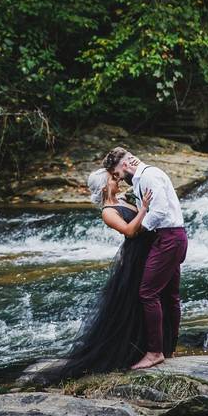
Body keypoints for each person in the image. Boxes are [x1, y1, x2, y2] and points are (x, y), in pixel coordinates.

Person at [33, 168, 172, 383]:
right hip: (135, 259)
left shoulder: (125, 199)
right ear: (104, 187)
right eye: (112, 178)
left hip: (150, 252)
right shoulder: (108, 212)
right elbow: (130, 231)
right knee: (134, 304)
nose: (117, 180)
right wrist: (143, 209)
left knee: (151, 300)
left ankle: (155, 348)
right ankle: (136, 352)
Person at [103, 147, 187, 370]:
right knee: (170, 295)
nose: (119, 179)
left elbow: (158, 212)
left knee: (148, 293)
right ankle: (169, 347)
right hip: (171, 237)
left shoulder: (149, 176)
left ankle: (155, 352)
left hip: (168, 238)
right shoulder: (141, 180)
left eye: (117, 174)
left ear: (124, 166)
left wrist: (139, 230)